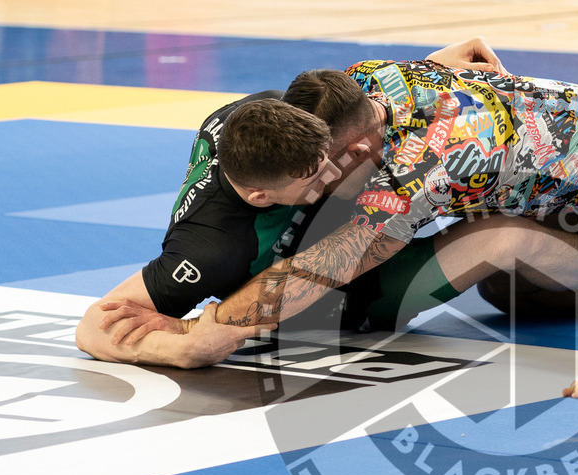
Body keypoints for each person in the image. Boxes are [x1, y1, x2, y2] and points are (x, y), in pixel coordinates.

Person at [75, 38, 543, 366]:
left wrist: (430, 69)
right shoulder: (211, 246)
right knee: (503, 237)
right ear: (262, 195)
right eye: (315, 179)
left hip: (359, 229)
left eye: (328, 157)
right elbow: (92, 326)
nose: (335, 171)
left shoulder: (273, 117)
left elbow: (348, 111)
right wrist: (185, 347)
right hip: (353, 295)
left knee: (506, 253)